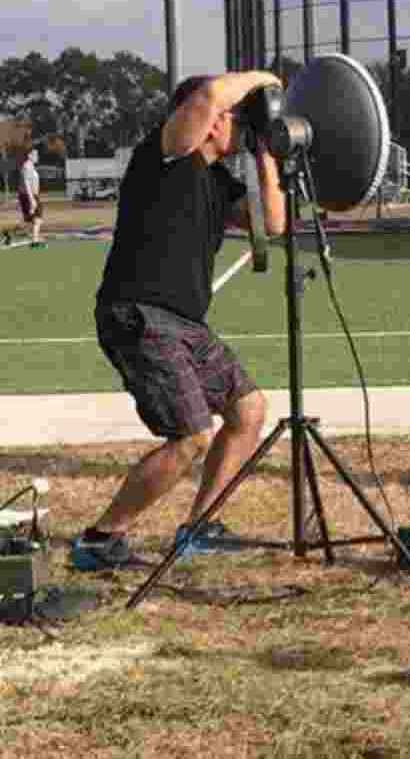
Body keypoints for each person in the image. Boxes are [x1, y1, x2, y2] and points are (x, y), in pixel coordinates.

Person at [70, 71, 288, 570]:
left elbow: (273, 223)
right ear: (207, 119)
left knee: (248, 410)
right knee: (191, 436)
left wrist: (266, 150)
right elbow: (210, 95)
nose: (235, 122)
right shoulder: (166, 154)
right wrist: (264, 80)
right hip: (139, 313)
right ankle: (100, 539)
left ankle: (198, 527)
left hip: (185, 323)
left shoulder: (217, 180)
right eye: (234, 117)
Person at [17, 149, 45, 248]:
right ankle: (35, 241)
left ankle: (35, 240)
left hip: (32, 196)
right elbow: (27, 184)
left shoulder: (31, 166)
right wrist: (32, 199)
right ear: (29, 155)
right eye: (35, 154)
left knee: (30, 221)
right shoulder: (27, 166)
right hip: (29, 196)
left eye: (37, 154)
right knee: (37, 219)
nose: (37, 156)